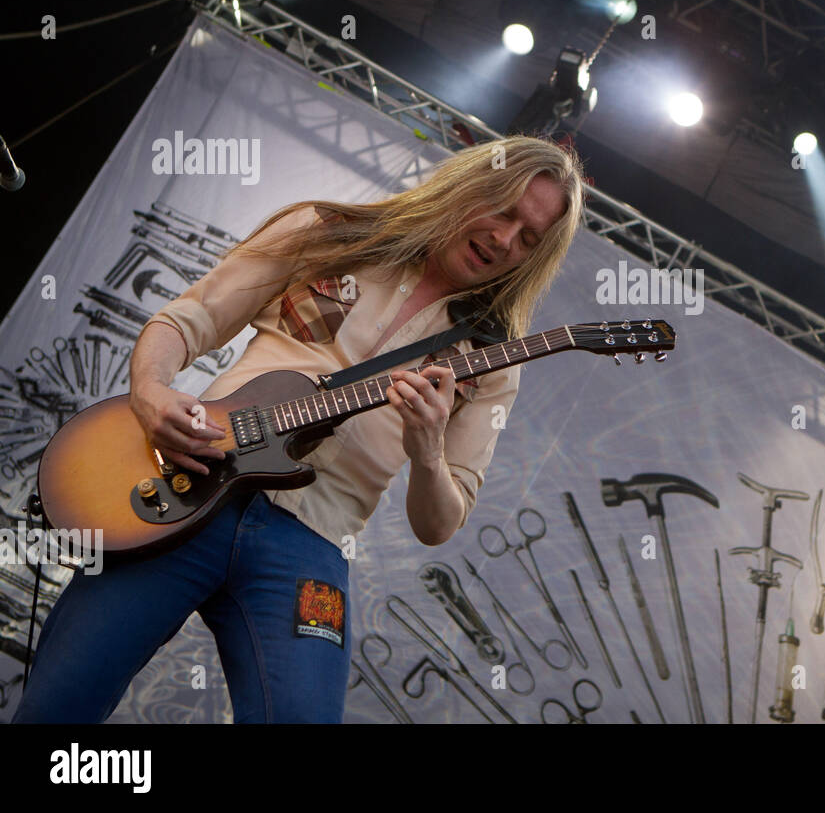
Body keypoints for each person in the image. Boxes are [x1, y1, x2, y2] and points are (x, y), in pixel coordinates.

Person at [13, 134, 585, 723]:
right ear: (470, 184)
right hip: (188, 489)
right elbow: (191, 319)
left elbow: (439, 521)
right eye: (505, 210)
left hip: (311, 545)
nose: (506, 238)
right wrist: (151, 394)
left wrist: (429, 452)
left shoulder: (493, 357)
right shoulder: (328, 230)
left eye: (530, 238)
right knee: (59, 707)